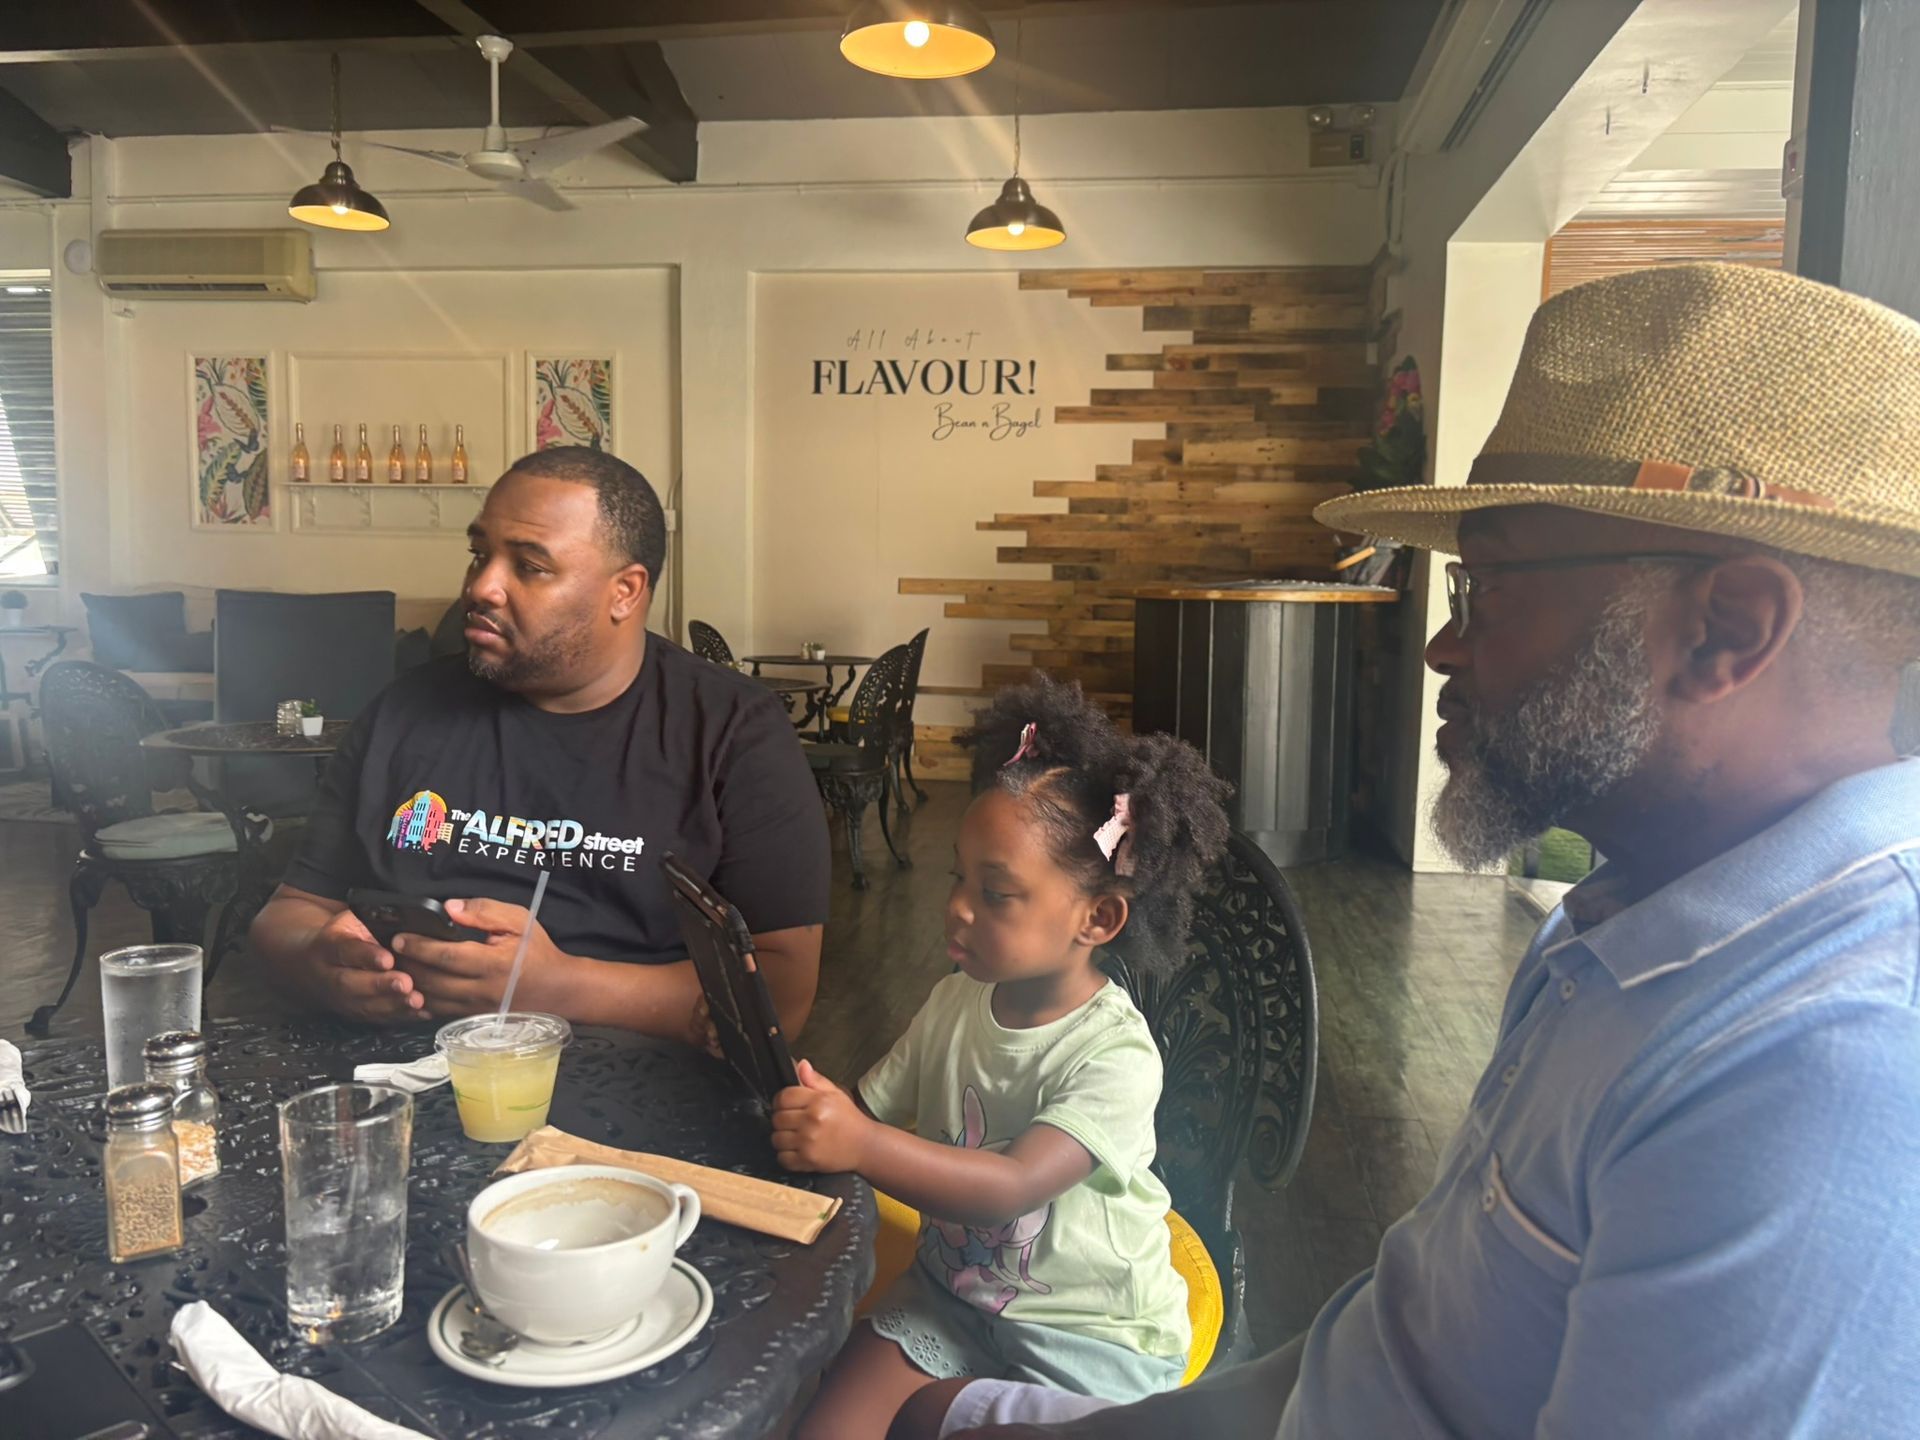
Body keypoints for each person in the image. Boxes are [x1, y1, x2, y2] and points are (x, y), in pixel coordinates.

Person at [934, 263, 1920, 1439]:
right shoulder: (1612, 939)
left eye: (1490, 582)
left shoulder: (1831, 1071)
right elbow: (1397, 1353)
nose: (1444, 645)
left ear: (1728, 629)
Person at [770, 676, 1231, 1440]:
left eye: (996, 892)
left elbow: (1013, 1186)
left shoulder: (1115, 1055)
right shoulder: (955, 1001)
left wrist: (856, 1140)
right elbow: (865, 1109)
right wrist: (806, 1100)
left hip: (1087, 1340)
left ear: (1099, 918)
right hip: (950, 1301)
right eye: (958, 876)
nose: (956, 906)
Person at [248, 447, 830, 1040]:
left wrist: (559, 987)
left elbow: (781, 994)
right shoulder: (404, 712)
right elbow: (290, 913)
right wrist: (321, 964)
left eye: (529, 566)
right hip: (397, 1077)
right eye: (480, 554)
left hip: (632, 1092)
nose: (481, 587)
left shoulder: (732, 732)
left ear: (625, 591)